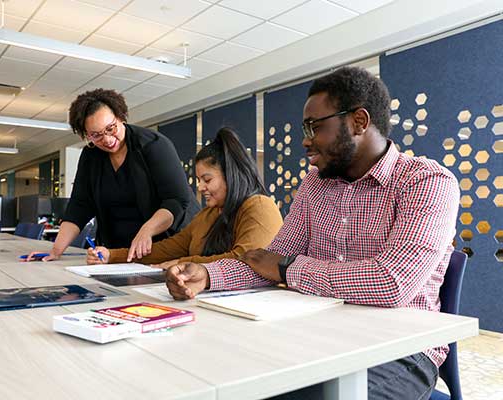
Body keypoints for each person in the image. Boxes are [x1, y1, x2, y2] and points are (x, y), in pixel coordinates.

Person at [166, 67, 460, 400]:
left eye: (315, 127)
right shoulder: (314, 185)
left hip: (401, 350)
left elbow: (391, 283)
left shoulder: (426, 182)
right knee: (225, 373)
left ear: (358, 122)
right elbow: (266, 261)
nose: (305, 140)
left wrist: (289, 269)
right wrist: (206, 275)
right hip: (317, 334)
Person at [26, 89, 199, 262]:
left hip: (167, 244)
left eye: (111, 128)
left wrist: (147, 230)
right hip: (118, 250)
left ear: (120, 116)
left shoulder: (153, 145)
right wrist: (55, 251)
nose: (107, 140)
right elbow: (80, 205)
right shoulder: (90, 156)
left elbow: (176, 200)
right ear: (85, 135)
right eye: (96, 135)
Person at [87, 128, 283, 268]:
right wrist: (111, 255)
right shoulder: (208, 215)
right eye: (199, 180)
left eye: (207, 179)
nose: (200, 187)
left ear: (231, 175)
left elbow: (245, 260)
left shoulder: (259, 206)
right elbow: (169, 248)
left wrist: (184, 263)